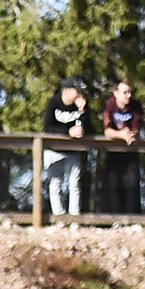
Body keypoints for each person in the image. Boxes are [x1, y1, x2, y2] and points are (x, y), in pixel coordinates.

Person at [40, 81, 90, 218]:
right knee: (55, 183)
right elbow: (47, 128)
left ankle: (74, 216)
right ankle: (58, 216)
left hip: (73, 151)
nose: (80, 94)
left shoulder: (83, 106)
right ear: (67, 90)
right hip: (54, 151)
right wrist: (68, 132)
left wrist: (83, 112)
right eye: (77, 90)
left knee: (74, 183)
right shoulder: (53, 103)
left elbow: (90, 129)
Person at [100, 75, 145, 216]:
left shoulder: (136, 106)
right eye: (125, 92)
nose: (129, 95)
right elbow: (107, 130)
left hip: (131, 150)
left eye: (130, 92)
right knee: (113, 184)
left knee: (132, 183)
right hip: (113, 151)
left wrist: (131, 134)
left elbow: (136, 128)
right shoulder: (109, 105)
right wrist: (122, 134)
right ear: (116, 93)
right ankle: (115, 217)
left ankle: (133, 217)